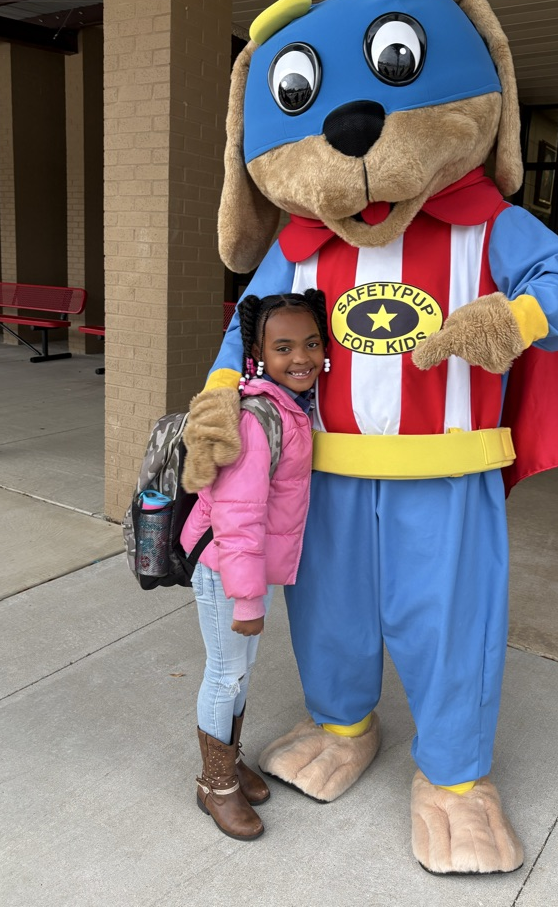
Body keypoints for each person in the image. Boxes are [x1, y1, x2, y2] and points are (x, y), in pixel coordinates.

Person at [180, 290, 329, 840]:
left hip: (245, 567)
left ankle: (229, 760)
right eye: (284, 346)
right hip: (225, 566)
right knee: (225, 673)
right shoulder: (257, 417)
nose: (302, 358)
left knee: (238, 670)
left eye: (312, 343)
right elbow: (238, 517)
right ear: (258, 355)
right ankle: (214, 785)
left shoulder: (291, 407)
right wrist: (247, 596)